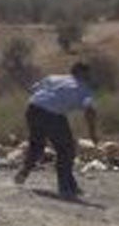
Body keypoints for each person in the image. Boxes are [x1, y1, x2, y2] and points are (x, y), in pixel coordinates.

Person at [17, 62, 98, 199]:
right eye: (88, 73)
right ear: (82, 73)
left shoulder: (53, 77)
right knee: (66, 150)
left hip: (33, 108)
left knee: (37, 144)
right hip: (52, 115)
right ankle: (66, 189)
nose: (90, 76)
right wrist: (92, 133)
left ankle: (24, 172)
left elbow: (33, 89)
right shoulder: (84, 88)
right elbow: (90, 110)